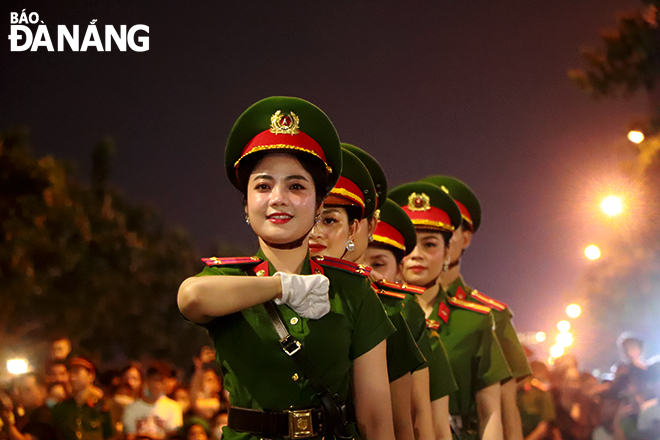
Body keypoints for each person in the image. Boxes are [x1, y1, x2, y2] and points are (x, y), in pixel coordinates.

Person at [177, 96, 397, 440]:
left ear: (318, 204)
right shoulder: (228, 281)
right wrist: (283, 286)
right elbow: (190, 298)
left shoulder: (353, 290)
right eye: (263, 186)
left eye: (296, 186)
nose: (278, 198)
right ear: (247, 207)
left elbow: (376, 417)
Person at [309, 146, 427, 440]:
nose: (316, 232)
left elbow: (400, 424)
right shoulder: (260, 287)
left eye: (330, 219)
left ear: (361, 225)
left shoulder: (386, 308)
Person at [390, 181, 512, 440]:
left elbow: (491, 414)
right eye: (409, 244)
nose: (416, 255)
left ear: (448, 253)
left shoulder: (474, 321)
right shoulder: (377, 316)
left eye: (430, 244)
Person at [422, 175, 531, 440]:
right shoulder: (390, 309)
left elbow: (506, 412)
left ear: (466, 237)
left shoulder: (491, 315)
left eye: (449, 227)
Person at [359, 197, 457, 440]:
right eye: (357, 260)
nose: (366, 272)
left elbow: (418, 416)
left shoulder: (405, 316)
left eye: (378, 263)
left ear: (399, 270)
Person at [51, 356, 113, 440]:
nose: (72, 377)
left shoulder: (101, 407)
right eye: (70, 372)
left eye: (77, 372)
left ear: (91, 376)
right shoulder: (61, 408)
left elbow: (110, 435)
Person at [122, 366, 183, 440]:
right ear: (147, 381)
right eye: (153, 380)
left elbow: (173, 435)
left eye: (160, 380)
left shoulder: (173, 407)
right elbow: (130, 435)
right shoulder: (132, 408)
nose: (156, 385)